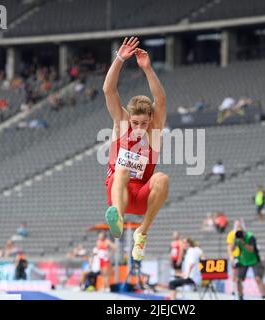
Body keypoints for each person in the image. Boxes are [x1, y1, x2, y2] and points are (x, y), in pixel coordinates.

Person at [103, 37, 168, 262]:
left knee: (162, 178)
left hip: (141, 195)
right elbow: (109, 90)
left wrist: (148, 69)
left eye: (144, 123)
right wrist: (120, 59)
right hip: (117, 191)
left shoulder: (154, 131)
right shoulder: (121, 124)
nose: (139, 128)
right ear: (129, 118)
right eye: (135, 123)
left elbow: (160, 100)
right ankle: (118, 220)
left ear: (150, 120)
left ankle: (142, 232)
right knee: (122, 170)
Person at [230, 224, 265, 300]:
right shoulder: (236, 238)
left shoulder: (250, 237)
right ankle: (240, 296)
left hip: (254, 260)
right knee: (238, 280)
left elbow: (251, 250)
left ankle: (264, 296)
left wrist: (243, 242)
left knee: (258, 278)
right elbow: (232, 249)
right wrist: (234, 240)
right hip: (243, 260)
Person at [226, 219, 242, 299]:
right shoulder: (231, 234)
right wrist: (231, 257)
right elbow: (229, 247)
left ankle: (240, 293)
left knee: (240, 276)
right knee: (234, 274)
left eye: (239, 224)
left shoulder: (243, 233)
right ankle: (233, 292)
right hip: (235, 256)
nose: (238, 226)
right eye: (236, 224)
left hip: (242, 257)